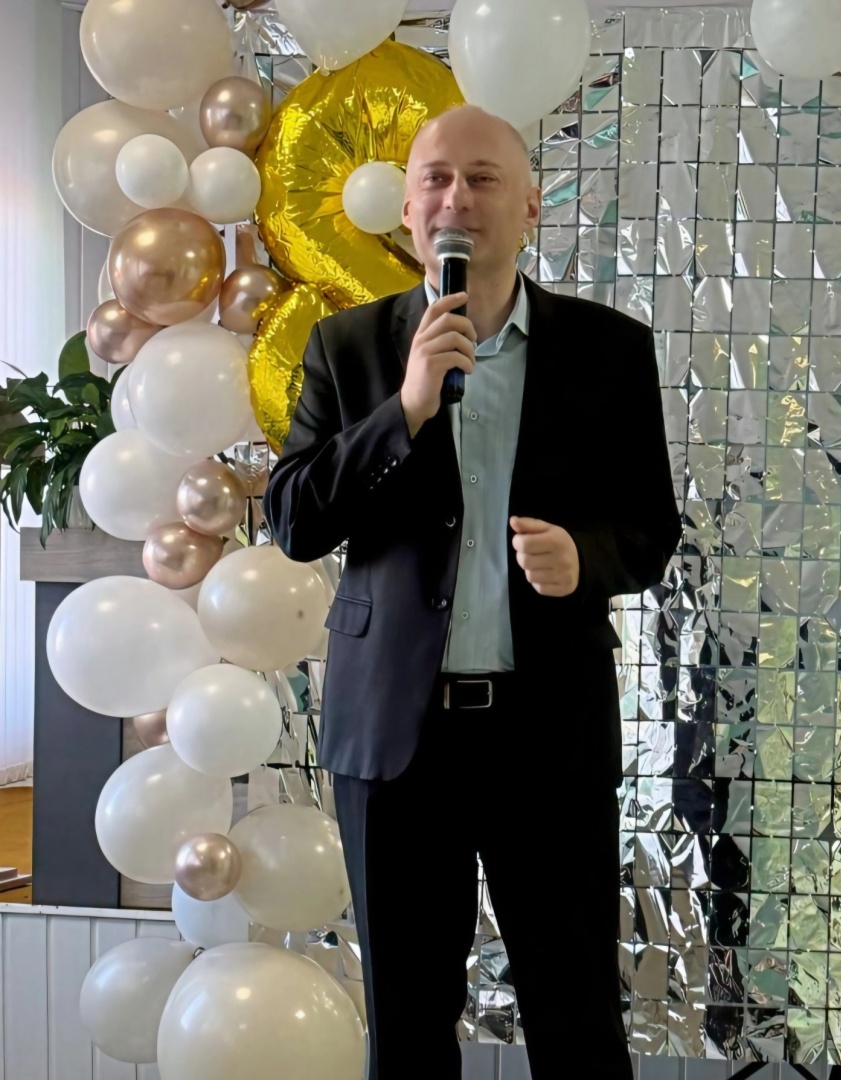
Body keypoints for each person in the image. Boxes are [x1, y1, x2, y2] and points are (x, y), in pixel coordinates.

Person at [263, 104, 680, 1080]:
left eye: (483, 179)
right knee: (407, 1029)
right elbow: (294, 520)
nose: (457, 199)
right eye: (436, 180)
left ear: (530, 205)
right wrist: (405, 409)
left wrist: (585, 557)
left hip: (547, 732)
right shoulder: (345, 348)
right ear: (408, 211)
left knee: (577, 1021)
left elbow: (649, 530)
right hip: (394, 742)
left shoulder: (610, 350)